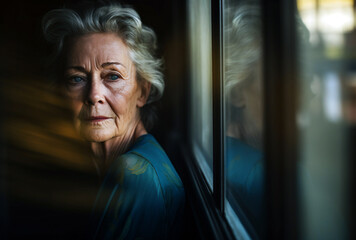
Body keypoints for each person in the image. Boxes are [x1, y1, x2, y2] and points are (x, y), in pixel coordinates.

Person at [42, 3, 185, 239]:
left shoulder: (137, 175)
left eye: (112, 76)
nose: (94, 95)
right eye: (77, 78)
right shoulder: (97, 169)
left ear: (142, 92)